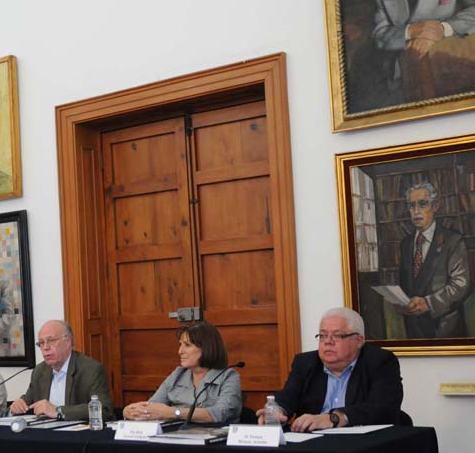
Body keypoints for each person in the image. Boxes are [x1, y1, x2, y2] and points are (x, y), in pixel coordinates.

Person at [257, 307, 404, 432]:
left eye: (337, 336)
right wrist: (277, 411)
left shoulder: (380, 361)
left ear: (358, 341)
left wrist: (334, 418)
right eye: (323, 335)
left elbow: (382, 407)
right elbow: (289, 395)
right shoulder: (305, 363)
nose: (328, 342)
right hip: (313, 445)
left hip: (362, 446)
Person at [123, 321, 241, 423]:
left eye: (187, 345)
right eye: (180, 345)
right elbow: (152, 407)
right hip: (176, 439)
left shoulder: (229, 376)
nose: (180, 351)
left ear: (206, 348)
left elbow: (220, 413)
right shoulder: (178, 374)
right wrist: (129, 411)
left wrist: (173, 412)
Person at [397, 182, 470, 338]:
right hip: (414, 330)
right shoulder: (406, 244)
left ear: (435, 206)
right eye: (411, 206)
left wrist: (428, 303)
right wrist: (401, 303)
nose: (416, 212)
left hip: (445, 329)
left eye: (423, 204)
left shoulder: (453, 241)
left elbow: (460, 284)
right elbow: (405, 283)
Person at [372, 0, 475, 104]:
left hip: (449, 62)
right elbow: (380, 35)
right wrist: (410, 31)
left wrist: (443, 29)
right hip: (401, 75)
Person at [9, 319, 114, 421]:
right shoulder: (40, 371)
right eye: (41, 343)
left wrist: (59, 411)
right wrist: (19, 405)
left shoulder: (90, 369)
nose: (45, 347)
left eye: (51, 341)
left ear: (67, 341)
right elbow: (28, 402)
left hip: (78, 436)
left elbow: (104, 410)